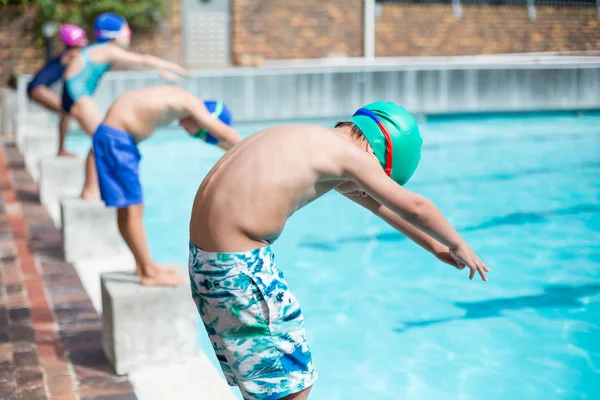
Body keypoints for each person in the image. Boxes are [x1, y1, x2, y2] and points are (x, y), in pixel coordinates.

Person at [188, 101, 490, 399]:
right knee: (292, 387)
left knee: (268, 386)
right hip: (242, 270)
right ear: (378, 152)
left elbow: (379, 207)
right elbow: (416, 207)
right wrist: (458, 243)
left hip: (207, 263)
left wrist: (435, 247)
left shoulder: (312, 142)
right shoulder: (350, 157)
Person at [93, 86, 242, 287]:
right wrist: (251, 150)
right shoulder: (189, 103)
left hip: (118, 139)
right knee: (132, 210)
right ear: (205, 119)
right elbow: (223, 132)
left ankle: (144, 265)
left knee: (130, 209)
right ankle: (148, 273)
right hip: (117, 140)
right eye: (199, 134)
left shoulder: (179, 100)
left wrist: (234, 152)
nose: (191, 135)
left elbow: (219, 139)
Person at [61, 12, 190, 200]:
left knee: (99, 140)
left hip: (72, 94)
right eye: (125, 29)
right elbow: (143, 60)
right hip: (78, 97)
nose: (128, 34)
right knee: (101, 140)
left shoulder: (100, 49)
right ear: (114, 35)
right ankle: (90, 191)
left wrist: (161, 70)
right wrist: (172, 67)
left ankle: (90, 189)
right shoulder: (108, 49)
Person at [27, 24, 88, 157]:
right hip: (38, 88)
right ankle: (61, 150)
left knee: (66, 112)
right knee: (66, 111)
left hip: (37, 87)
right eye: (82, 38)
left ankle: (62, 149)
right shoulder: (73, 54)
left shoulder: (67, 54)